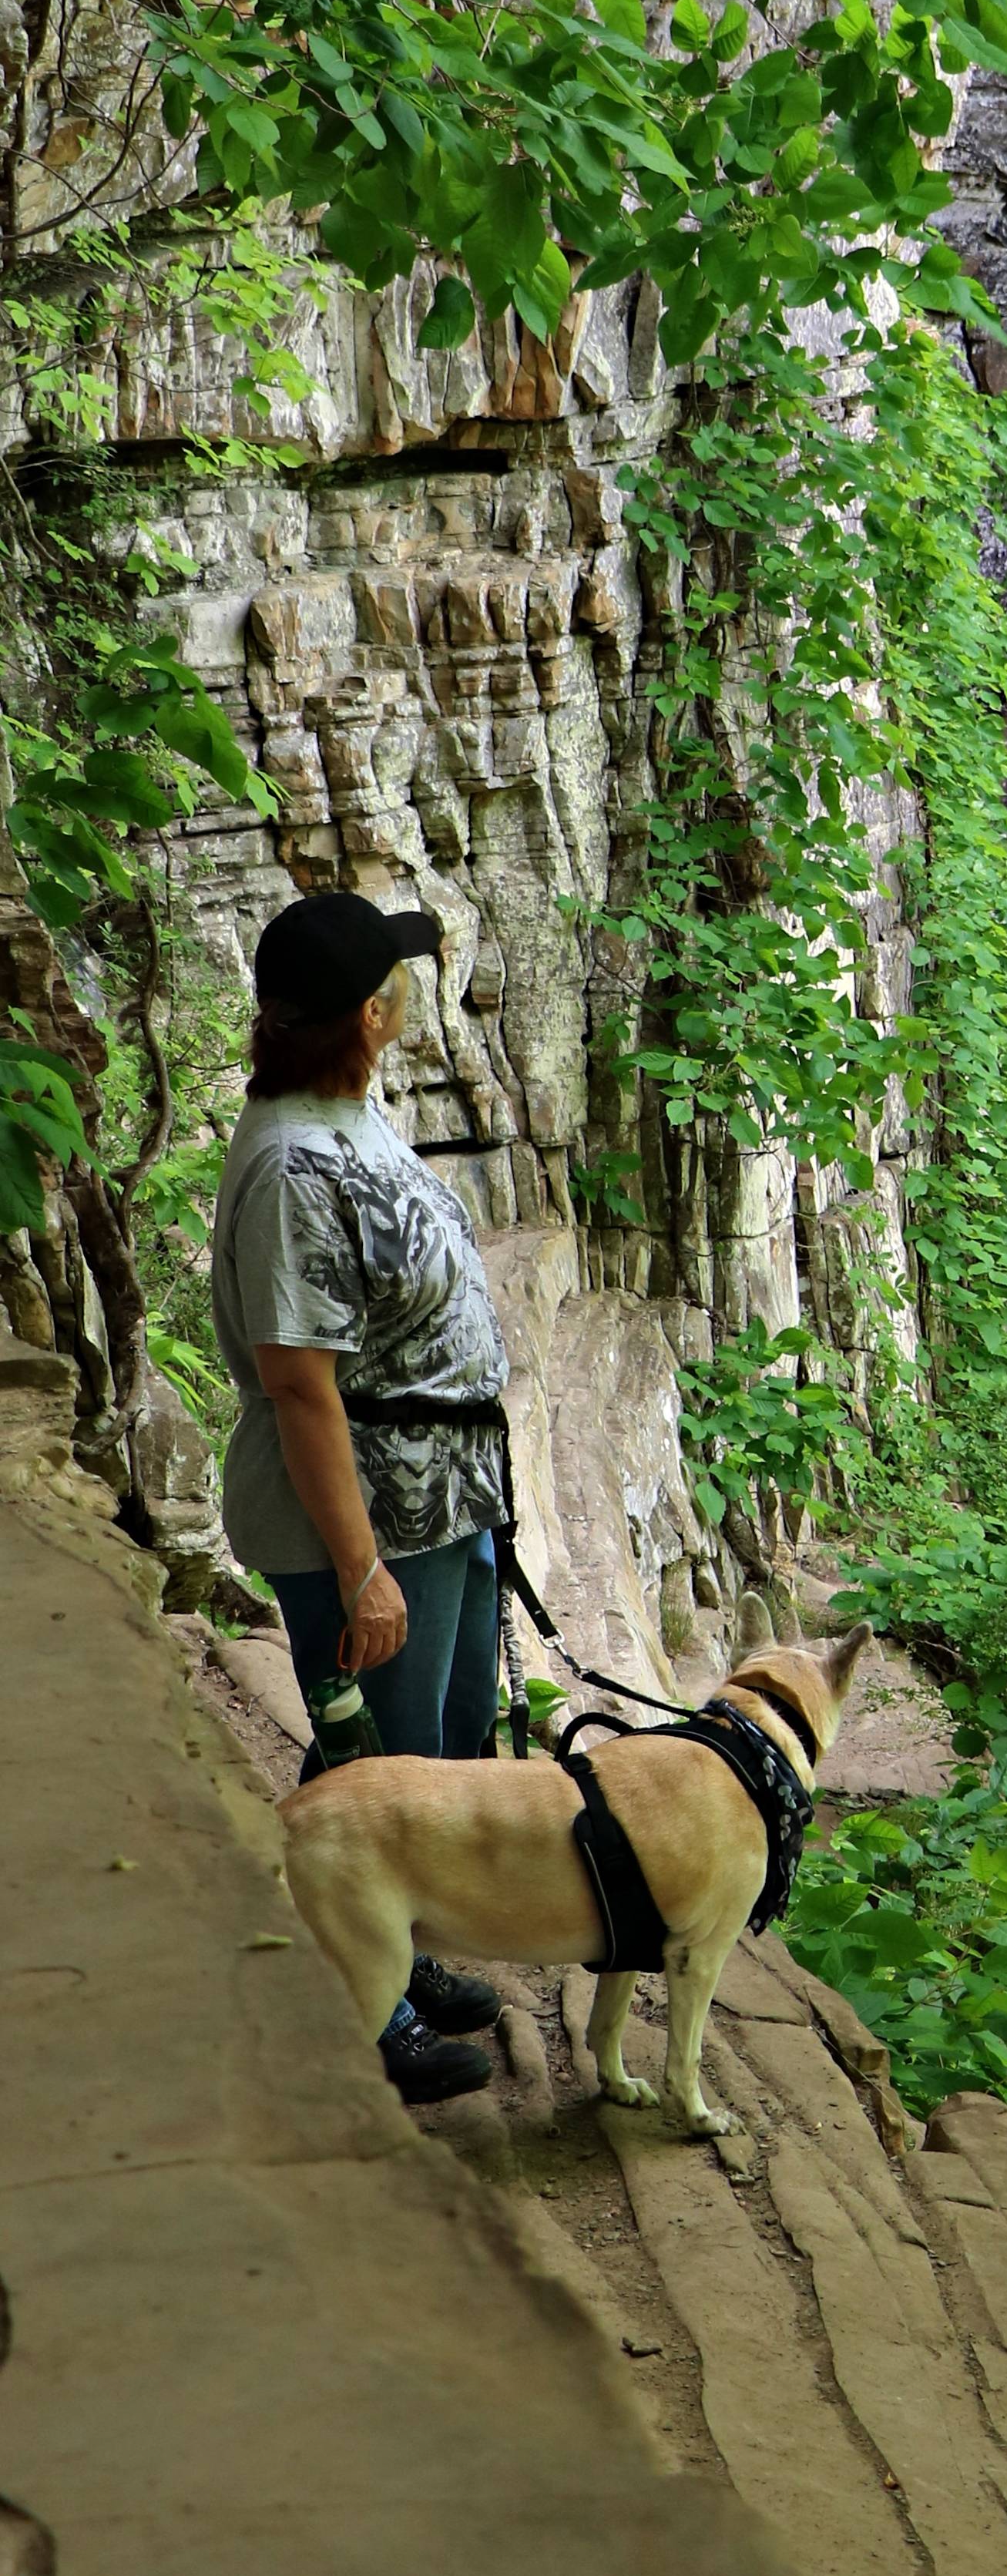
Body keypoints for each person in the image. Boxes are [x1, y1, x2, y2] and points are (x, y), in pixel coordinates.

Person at [211, 888, 512, 2104]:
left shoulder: (346, 1110)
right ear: (373, 1014)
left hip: (441, 1496)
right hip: (375, 1517)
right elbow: (298, 1389)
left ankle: (401, 1945)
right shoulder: (290, 1165)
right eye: (399, 980)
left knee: (429, 1759)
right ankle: (365, 2011)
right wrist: (360, 1570)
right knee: (370, 1773)